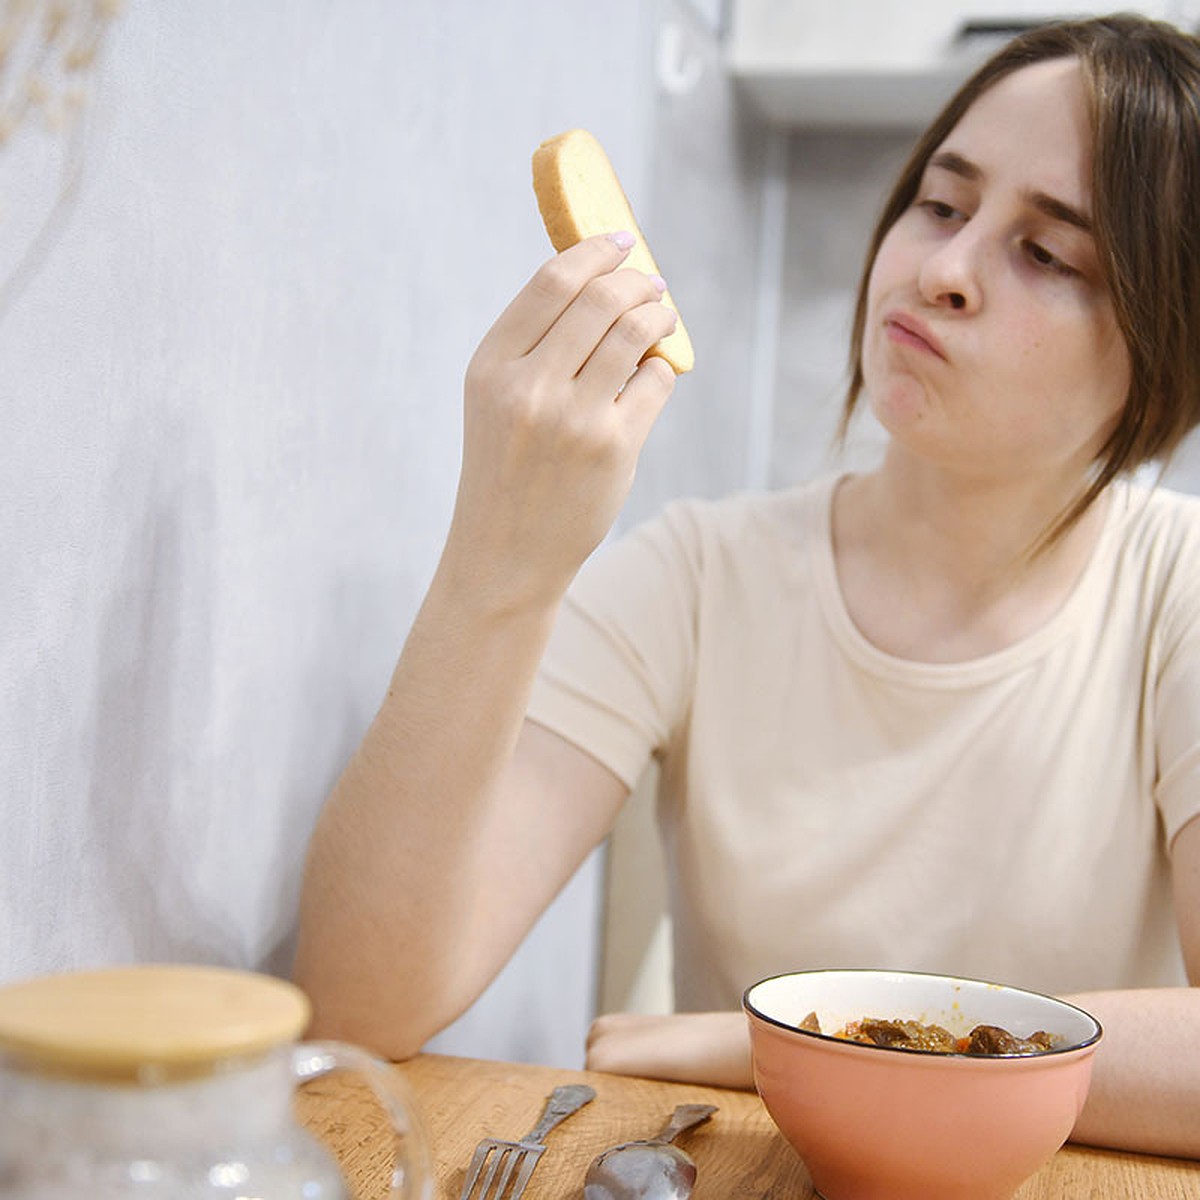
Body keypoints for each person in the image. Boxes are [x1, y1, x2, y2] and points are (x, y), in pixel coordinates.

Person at [294, 14, 1200, 1158]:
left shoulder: (1180, 593)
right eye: (941, 201)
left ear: (1163, 361)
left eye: (1047, 253)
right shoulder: (697, 576)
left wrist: (771, 1039)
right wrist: (500, 556)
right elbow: (355, 1008)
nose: (945, 270)